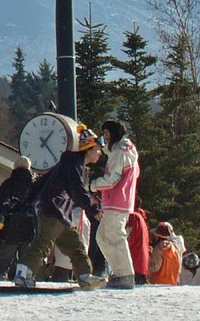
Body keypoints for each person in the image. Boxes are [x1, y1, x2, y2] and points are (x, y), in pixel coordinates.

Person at [14, 125, 105, 290]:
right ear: (88, 149)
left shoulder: (69, 163)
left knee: (75, 245)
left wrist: (28, 199)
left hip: (59, 212)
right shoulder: (73, 164)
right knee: (43, 243)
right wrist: (93, 209)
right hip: (54, 209)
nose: (100, 153)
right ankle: (23, 274)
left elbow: (42, 181)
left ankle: (85, 276)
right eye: (98, 149)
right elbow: (77, 189)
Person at [88, 119, 139, 290]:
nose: (105, 137)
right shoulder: (126, 150)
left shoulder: (120, 152)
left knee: (114, 236)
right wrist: (100, 145)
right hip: (119, 200)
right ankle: (119, 271)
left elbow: (112, 179)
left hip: (116, 200)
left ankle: (125, 274)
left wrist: (92, 185)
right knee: (102, 237)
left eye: (107, 133)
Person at [0, 156, 35, 281]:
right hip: (29, 227)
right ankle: (24, 279)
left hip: (10, 226)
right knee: (26, 259)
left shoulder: (8, 183)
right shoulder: (34, 185)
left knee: (5, 258)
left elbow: (0, 205)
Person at [126, 198, 151, 284]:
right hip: (142, 261)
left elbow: (130, 236)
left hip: (134, 259)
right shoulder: (141, 217)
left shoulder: (133, 216)